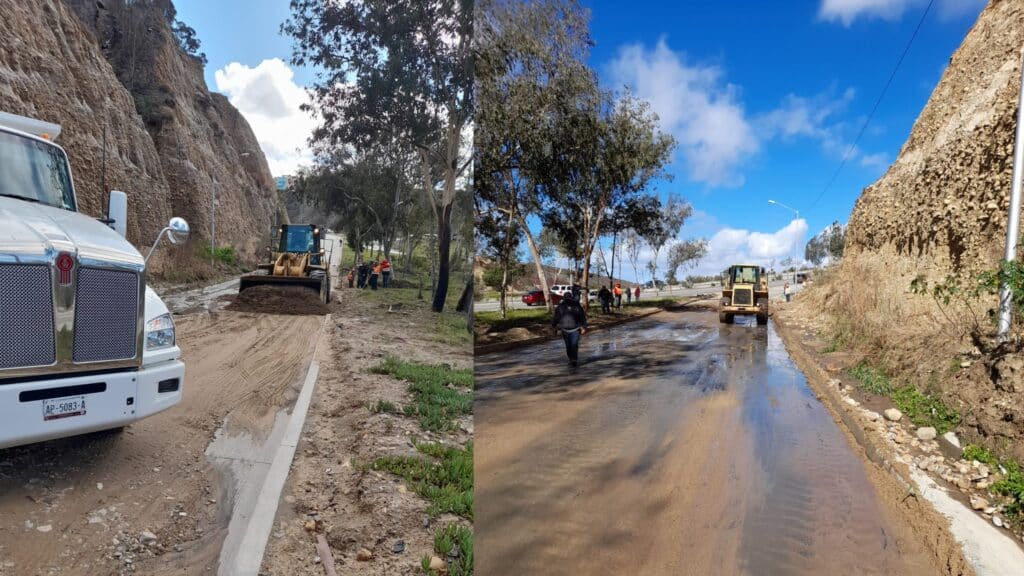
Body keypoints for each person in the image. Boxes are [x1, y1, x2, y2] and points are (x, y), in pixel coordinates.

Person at [552, 289, 588, 367]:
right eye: (567, 298)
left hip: (575, 329)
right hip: (565, 330)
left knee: (574, 345)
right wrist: (554, 326)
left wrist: (584, 327)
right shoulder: (560, 307)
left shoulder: (576, 306)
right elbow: (556, 317)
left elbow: (582, 317)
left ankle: (574, 360)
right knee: (569, 346)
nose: (568, 299)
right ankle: (571, 359)